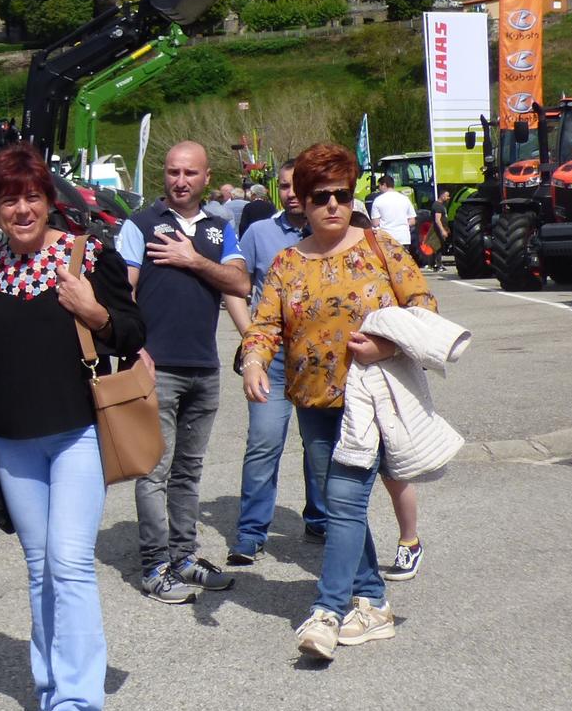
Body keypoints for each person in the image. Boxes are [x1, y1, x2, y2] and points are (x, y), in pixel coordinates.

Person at [0, 144, 143, 711]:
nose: (23, 208)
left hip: (77, 433)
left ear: (49, 200)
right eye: (10, 199)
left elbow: (133, 333)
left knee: (69, 564)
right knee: (37, 570)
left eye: (32, 196)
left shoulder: (85, 256)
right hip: (13, 441)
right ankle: (53, 695)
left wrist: (95, 312)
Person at [240, 142, 436, 661]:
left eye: (341, 194)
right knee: (338, 503)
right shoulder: (286, 262)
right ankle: (372, 601)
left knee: (344, 503)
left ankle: (327, 610)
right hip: (313, 401)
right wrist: (255, 362)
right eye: (319, 196)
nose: (332, 205)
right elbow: (264, 324)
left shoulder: (380, 249)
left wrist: (388, 344)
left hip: (370, 398)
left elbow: (423, 304)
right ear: (301, 202)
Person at [118, 141, 250, 603]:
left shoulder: (219, 228)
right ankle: (155, 566)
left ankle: (184, 557)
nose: (180, 180)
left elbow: (239, 283)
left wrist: (193, 260)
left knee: (189, 472)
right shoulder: (141, 226)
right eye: (173, 171)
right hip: (157, 367)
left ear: (206, 177)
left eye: (190, 173)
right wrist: (134, 348)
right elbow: (122, 292)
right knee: (154, 471)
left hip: (204, 367)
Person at [226, 159, 319, 566]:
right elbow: (234, 286)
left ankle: (321, 519)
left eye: (298, 185)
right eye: (284, 186)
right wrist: (251, 339)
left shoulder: (331, 232)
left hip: (319, 358)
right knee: (264, 443)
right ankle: (251, 531)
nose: (291, 193)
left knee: (321, 447)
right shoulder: (259, 233)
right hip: (273, 358)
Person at [368, 172, 416, 249]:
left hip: (387, 239)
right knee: (404, 261)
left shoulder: (378, 200)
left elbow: (375, 223)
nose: (378, 189)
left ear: (384, 185)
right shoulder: (405, 199)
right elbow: (412, 221)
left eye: (379, 186)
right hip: (404, 238)